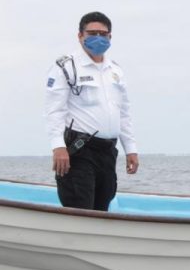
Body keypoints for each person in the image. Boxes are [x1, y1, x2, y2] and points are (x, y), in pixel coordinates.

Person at [44, 11, 139, 211]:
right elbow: (54, 111)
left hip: (108, 151)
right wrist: (58, 147)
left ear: (110, 37)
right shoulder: (66, 67)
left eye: (103, 34)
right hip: (79, 150)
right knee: (80, 206)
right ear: (80, 36)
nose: (98, 38)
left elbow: (124, 112)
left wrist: (130, 148)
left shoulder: (115, 70)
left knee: (103, 205)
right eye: (92, 33)